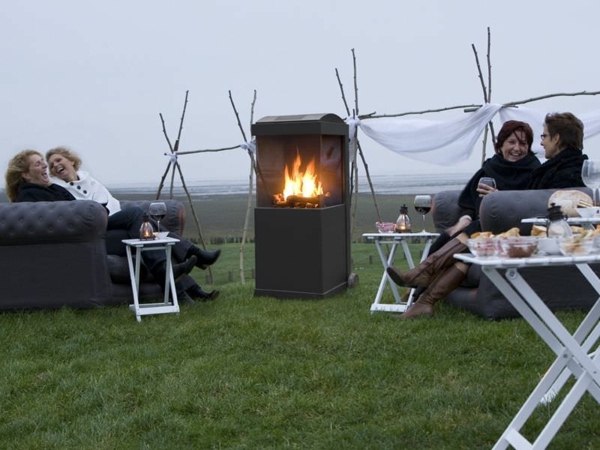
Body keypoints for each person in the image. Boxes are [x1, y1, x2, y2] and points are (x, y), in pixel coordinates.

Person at [386, 120, 542, 319]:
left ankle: (419, 277)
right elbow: (470, 203)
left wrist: (498, 199)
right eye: (512, 142)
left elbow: (528, 207)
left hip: (513, 232)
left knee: (475, 233)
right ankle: (424, 302)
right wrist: (464, 219)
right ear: (501, 144)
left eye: (523, 144)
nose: (517, 148)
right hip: (482, 231)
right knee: (465, 249)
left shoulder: (535, 171)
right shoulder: (490, 168)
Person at [5, 149, 200, 302]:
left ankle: (183, 292)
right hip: (84, 245)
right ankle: (189, 261)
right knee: (137, 221)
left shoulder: (52, 189)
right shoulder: (29, 197)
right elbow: (68, 215)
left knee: (144, 235)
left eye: (43, 162)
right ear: (26, 175)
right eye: (38, 164)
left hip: (92, 235)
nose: (45, 166)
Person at [528, 111, 587, 189]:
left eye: (544, 136)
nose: (542, 143)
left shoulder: (561, 176)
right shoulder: (586, 173)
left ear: (556, 138)